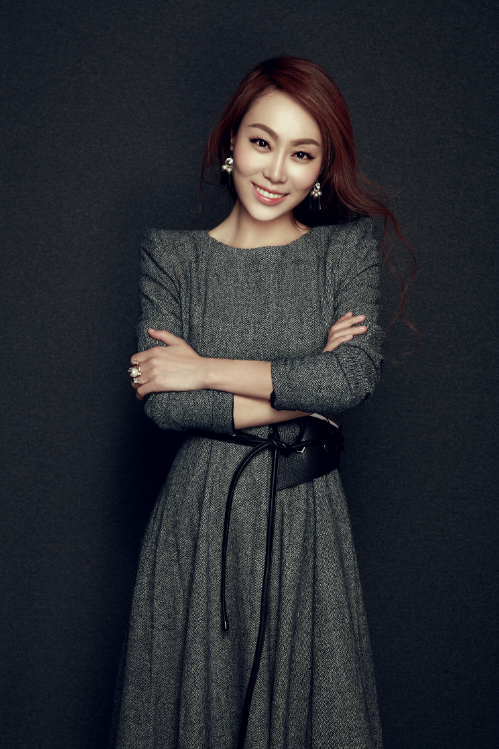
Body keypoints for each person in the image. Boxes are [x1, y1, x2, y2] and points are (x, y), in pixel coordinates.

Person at [111, 56, 415, 749]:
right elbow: (164, 406)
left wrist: (201, 369)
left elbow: (351, 380)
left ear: (321, 168)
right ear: (231, 142)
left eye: (302, 153)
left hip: (305, 516)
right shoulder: (172, 257)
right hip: (199, 520)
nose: (276, 171)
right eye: (261, 142)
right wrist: (302, 390)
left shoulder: (344, 251)